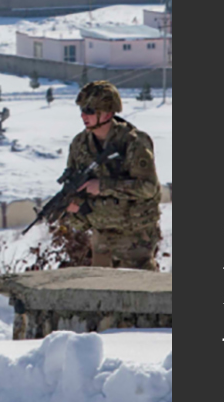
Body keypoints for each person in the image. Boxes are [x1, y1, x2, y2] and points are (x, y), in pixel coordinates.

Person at [60, 81, 162, 270]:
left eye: (90, 110)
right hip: (102, 238)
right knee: (103, 293)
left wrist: (103, 186)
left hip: (135, 238)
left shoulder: (134, 143)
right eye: (82, 110)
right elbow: (75, 186)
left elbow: (148, 188)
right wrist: (74, 210)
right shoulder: (79, 144)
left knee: (140, 293)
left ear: (107, 112)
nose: (84, 116)